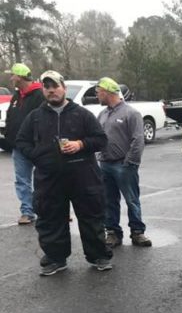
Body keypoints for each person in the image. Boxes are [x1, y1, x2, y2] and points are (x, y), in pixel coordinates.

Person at [15, 70, 113, 276]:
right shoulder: (35, 117)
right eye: (47, 87)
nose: (51, 91)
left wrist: (81, 144)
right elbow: (21, 142)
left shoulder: (82, 114)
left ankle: (99, 256)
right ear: (43, 90)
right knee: (50, 219)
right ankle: (55, 259)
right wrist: (39, 155)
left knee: (91, 217)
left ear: (64, 89)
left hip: (84, 177)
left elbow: (101, 140)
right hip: (49, 179)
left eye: (55, 86)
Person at [95, 76, 152, 248]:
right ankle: (112, 232)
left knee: (132, 199)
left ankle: (137, 232)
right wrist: (98, 156)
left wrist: (130, 162)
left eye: (98, 93)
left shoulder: (131, 113)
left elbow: (138, 140)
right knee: (108, 200)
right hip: (105, 164)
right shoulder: (102, 114)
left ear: (107, 92)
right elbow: (98, 137)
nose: (97, 96)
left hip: (123, 165)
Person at [3, 63, 45, 225]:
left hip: (37, 146)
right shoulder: (17, 95)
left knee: (45, 179)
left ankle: (50, 210)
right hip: (18, 147)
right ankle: (27, 211)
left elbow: (43, 120)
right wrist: (8, 135)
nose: (11, 78)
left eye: (13, 75)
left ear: (19, 76)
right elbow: (11, 116)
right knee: (22, 180)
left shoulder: (39, 95)